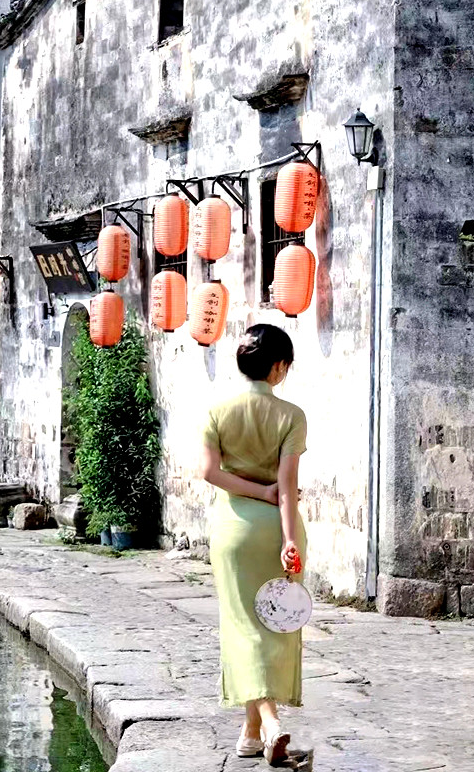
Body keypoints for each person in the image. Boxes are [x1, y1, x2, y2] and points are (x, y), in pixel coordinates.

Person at [199, 323, 307, 767]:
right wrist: (289, 539)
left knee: (241, 627)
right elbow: (287, 486)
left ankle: (253, 733)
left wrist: (255, 492)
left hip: (233, 530)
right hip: (277, 530)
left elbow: (209, 472)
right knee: (274, 627)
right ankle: (268, 723)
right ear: (278, 367)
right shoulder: (291, 415)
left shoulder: (217, 412)